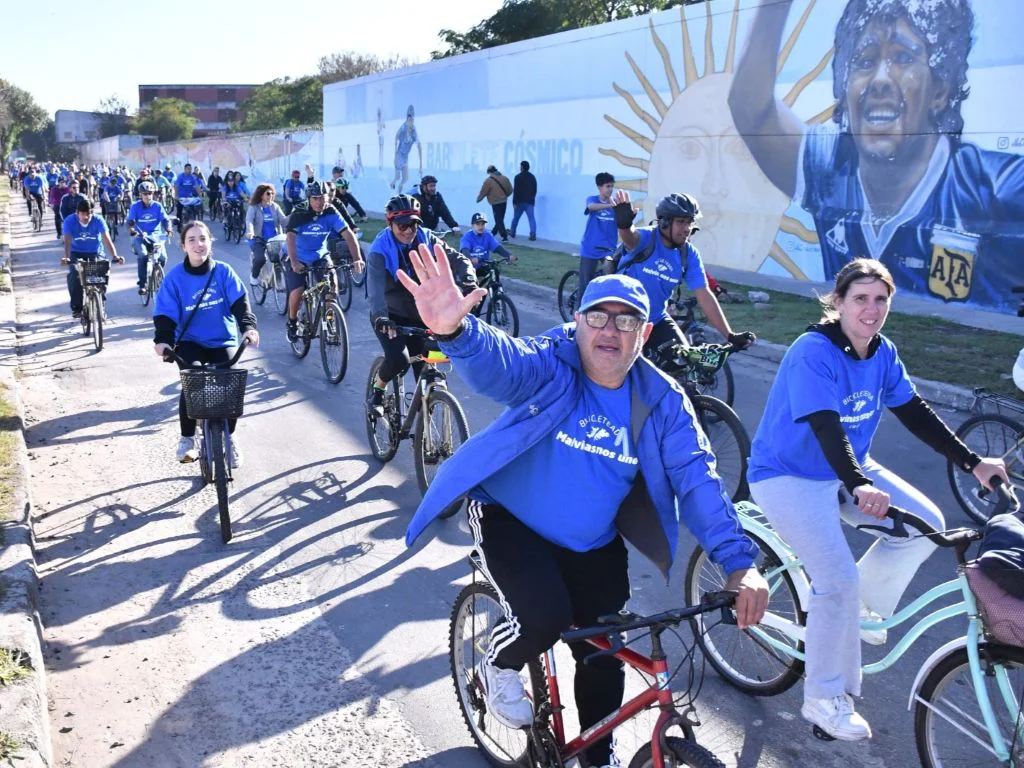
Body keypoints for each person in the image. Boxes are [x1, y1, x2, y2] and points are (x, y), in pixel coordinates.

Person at [402, 258, 769, 767]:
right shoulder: (554, 361)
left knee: (603, 653)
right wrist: (457, 331)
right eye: (598, 316)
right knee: (544, 619)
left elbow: (698, 478)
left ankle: (599, 755)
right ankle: (496, 665)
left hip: (591, 542)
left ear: (646, 333)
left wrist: (739, 563)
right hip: (510, 519)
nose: (610, 331)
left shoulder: (662, 400)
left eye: (626, 321)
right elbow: (504, 365)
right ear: (577, 321)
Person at [746, 257, 1008, 741]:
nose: (871, 309)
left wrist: (976, 463)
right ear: (838, 302)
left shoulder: (881, 353)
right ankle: (824, 698)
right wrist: (859, 482)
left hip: (847, 471)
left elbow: (915, 413)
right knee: (836, 578)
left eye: (880, 299)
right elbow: (827, 426)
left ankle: (859, 611)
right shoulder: (813, 351)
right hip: (788, 475)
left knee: (925, 525)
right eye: (860, 299)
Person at [729, 0, 1024, 309]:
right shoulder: (831, 167)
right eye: (865, 62)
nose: (880, 79)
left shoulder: (996, 187)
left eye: (902, 57)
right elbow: (750, 110)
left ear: (939, 90)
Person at [153, 220, 259, 465]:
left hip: (222, 339)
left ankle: (229, 438)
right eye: (192, 240)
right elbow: (165, 314)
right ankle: (187, 438)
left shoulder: (223, 272)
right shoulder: (174, 278)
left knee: (230, 383)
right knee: (193, 381)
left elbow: (240, 305)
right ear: (183, 246)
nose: (198, 244)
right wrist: (163, 341)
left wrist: (248, 329)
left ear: (210, 241)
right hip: (189, 341)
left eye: (203, 238)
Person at [611, 191, 755, 365]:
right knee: (626, 371)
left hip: (656, 319)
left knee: (684, 363)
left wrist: (730, 335)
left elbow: (704, 295)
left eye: (689, 222)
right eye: (680, 222)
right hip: (623, 318)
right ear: (664, 222)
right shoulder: (646, 239)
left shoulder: (688, 254)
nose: (686, 228)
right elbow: (630, 238)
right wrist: (624, 225)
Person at [365, 195, 476, 415]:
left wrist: (469, 280)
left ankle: (427, 414)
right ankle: (377, 390)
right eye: (402, 225)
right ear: (390, 224)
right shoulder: (379, 249)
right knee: (399, 360)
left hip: (423, 314)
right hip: (391, 316)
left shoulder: (426, 238)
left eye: (413, 224)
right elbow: (375, 289)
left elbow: (458, 259)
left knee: (429, 363)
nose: (408, 230)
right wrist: (380, 317)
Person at [283, 181, 363, 342]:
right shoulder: (299, 212)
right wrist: (294, 262)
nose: (319, 202)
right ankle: (292, 322)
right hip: (297, 256)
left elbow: (348, 234)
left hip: (320, 255)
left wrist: (357, 259)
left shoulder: (331, 211)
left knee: (331, 287)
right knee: (298, 291)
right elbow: (290, 237)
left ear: (328, 197)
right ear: (309, 199)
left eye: (322, 198)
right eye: (315, 198)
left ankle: (331, 323)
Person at [61, 199, 123, 319]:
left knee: (102, 273)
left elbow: (106, 238)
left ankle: (101, 303)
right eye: (83, 213)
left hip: (95, 253)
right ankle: (77, 307)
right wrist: (67, 257)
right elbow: (67, 240)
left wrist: (115, 256)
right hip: (76, 253)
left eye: (89, 213)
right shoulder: (69, 221)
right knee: (75, 274)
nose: (86, 216)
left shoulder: (98, 220)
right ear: (77, 212)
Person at [126, 182, 172, 294]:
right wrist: (132, 230)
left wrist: (168, 229)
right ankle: (142, 284)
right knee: (143, 255)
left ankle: (156, 273)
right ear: (140, 194)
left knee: (163, 258)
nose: (148, 196)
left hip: (156, 237)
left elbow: (166, 220)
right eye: (145, 193)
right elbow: (130, 222)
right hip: (140, 237)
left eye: (150, 193)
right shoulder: (135, 207)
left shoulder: (157, 206)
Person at [578, 172, 619, 296]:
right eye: (608, 186)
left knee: (611, 278)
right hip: (590, 248)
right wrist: (609, 205)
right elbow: (591, 207)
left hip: (608, 248)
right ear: (599, 187)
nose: (610, 189)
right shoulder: (593, 199)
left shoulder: (617, 204)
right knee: (585, 283)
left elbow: (624, 220)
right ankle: (579, 311)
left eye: (612, 186)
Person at [244, 183, 288, 286]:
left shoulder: (275, 207)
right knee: (260, 259)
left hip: (274, 240)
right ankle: (254, 276)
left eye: (272, 193)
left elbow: (284, 221)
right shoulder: (254, 207)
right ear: (261, 195)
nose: (271, 196)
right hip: (258, 239)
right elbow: (249, 220)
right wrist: (250, 232)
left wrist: (295, 216)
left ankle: (278, 281)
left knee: (283, 258)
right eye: (268, 193)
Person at [476, 165, 513, 242]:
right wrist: (504, 196)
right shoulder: (505, 178)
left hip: (495, 202)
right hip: (504, 202)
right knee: (500, 219)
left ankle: (504, 236)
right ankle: (493, 232)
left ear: (489, 172)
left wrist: (478, 199)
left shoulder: (488, 181)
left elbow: (483, 192)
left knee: (498, 219)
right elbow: (510, 190)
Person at [390, 104, 421, 193]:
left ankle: (398, 188)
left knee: (405, 178)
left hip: (405, 157)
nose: (410, 119)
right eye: (409, 117)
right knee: (397, 177)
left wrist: (420, 164)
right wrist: (395, 152)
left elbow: (419, 145)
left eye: (412, 118)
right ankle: (393, 184)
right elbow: (396, 136)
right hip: (399, 155)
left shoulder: (414, 130)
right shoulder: (403, 127)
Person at [510, 160, 537, 240]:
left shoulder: (518, 177)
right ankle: (533, 234)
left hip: (520, 202)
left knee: (515, 218)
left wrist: (514, 202)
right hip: (530, 202)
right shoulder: (532, 177)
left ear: (521, 167)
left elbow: (516, 191)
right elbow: (534, 190)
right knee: (531, 219)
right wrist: (532, 198)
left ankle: (512, 232)